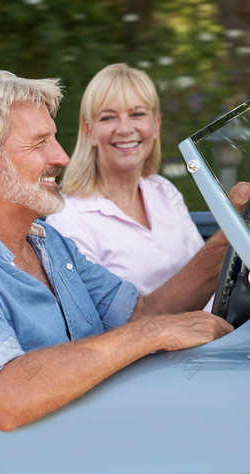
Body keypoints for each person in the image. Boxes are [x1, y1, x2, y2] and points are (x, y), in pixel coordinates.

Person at [0, 69, 244, 433]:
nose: (63, 156)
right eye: (40, 143)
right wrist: (152, 334)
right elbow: (4, 395)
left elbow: (141, 312)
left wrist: (232, 231)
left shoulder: (46, 242)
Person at [46, 63, 218, 306]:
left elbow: (211, 284)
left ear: (156, 125)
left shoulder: (164, 191)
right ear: (91, 132)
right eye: (108, 117)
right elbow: (106, 322)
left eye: (137, 114)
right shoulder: (68, 219)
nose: (125, 129)